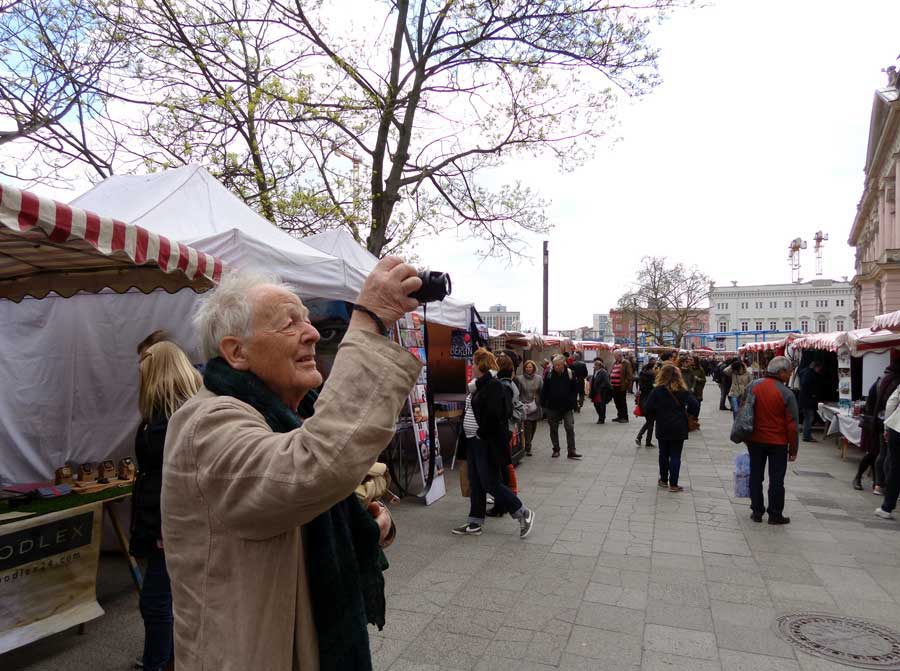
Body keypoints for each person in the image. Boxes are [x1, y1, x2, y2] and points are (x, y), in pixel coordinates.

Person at [161, 258, 422, 671]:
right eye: (288, 323)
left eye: (308, 320)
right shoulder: (207, 423)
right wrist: (367, 318)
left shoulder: (285, 414)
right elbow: (313, 468)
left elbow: (308, 499)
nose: (313, 333)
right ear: (237, 351)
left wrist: (366, 527)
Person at [131, 341, 202, 671]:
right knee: (163, 601)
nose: (139, 376)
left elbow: (181, 477)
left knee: (157, 602)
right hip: (159, 520)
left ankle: (157, 665)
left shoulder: (176, 418)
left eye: (144, 370)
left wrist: (167, 524)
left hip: (167, 524)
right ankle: (168, 660)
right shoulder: (166, 414)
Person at [452, 348, 537, 537]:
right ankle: (474, 522)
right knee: (475, 481)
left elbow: (495, 414)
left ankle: (523, 512)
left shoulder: (493, 386)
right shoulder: (478, 386)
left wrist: (481, 433)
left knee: (490, 482)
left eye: (473, 363)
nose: (471, 366)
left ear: (481, 365)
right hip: (472, 440)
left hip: (484, 441)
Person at [744, 356, 799, 525]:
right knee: (776, 479)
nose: (790, 375)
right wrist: (793, 449)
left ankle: (757, 511)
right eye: (789, 372)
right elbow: (792, 424)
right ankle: (775, 514)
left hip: (755, 439)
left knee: (755, 476)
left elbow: (744, 411)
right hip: (778, 442)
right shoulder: (786, 393)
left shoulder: (754, 386)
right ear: (781, 372)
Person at [643, 364, 700, 492]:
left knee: (663, 453)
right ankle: (673, 484)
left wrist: (657, 414)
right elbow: (695, 406)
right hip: (679, 425)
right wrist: (688, 414)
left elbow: (648, 408)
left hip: (663, 424)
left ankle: (663, 480)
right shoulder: (683, 391)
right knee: (675, 455)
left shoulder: (657, 391)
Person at [540, 354, 582, 459]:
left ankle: (571, 450)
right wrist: (543, 404)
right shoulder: (549, 374)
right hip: (552, 406)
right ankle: (556, 449)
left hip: (567, 407)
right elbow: (544, 390)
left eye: (559, 365)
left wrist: (573, 402)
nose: (557, 367)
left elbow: (575, 389)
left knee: (569, 427)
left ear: (563, 364)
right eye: (555, 365)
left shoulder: (570, 373)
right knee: (553, 428)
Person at [873, 363, 900, 495]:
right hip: (892, 423)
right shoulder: (896, 381)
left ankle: (879, 484)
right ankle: (889, 486)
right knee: (890, 458)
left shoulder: (881, 380)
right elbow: (890, 404)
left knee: (883, 454)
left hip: (882, 419)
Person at [876, 383, 900, 519]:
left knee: (895, 468)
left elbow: (891, 403)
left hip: (897, 427)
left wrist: (886, 427)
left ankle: (887, 508)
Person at [855, 378, 881, 490]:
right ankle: (858, 477)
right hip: (873, 424)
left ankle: (877, 482)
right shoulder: (881, 385)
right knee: (873, 453)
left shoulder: (882, 383)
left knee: (876, 454)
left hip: (877, 423)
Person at [518, 360, 543, 456]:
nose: (528, 369)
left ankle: (528, 442)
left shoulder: (539, 378)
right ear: (524, 368)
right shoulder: (520, 379)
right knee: (527, 426)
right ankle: (528, 447)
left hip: (535, 405)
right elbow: (518, 393)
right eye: (527, 367)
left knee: (533, 427)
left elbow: (542, 391)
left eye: (530, 367)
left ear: (533, 368)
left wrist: (540, 401)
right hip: (524, 406)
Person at [798, 361, 824, 442]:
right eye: (819, 368)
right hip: (808, 399)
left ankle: (806, 435)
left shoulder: (804, 372)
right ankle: (807, 436)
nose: (819, 370)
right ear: (815, 367)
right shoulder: (809, 373)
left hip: (804, 399)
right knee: (809, 418)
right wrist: (812, 394)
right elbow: (806, 384)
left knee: (808, 418)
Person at [635, 360, 658, 447]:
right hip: (651, 402)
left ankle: (644, 439)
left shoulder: (641, 375)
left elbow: (640, 388)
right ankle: (641, 437)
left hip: (643, 401)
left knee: (650, 421)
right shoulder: (652, 377)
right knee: (650, 422)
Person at [610, 351, 633, 423]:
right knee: (617, 402)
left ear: (619, 355)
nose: (614, 357)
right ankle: (619, 415)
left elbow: (629, 374)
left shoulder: (625, 362)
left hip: (621, 386)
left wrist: (626, 383)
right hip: (614, 386)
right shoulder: (615, 363)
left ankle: (625, 417)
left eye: (615, 356)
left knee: (622, 402)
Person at [589, 359, 612, 424]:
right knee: (596, 404)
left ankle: (601, 418)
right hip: (595, 391)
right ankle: (601, 416)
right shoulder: (596, 371)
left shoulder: (603, 372)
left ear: (599, 366)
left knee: (601, 405)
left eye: (595, 365)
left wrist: (605, 388)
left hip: (601, 391)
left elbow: (607, 381)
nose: (594, 367)